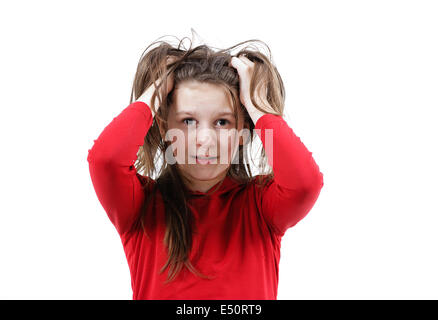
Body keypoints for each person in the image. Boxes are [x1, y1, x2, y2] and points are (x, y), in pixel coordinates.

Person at [87, 37, 324, 300]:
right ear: (165, 126)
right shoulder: (140, 206)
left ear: (243, 129)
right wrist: (155, 92)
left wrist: (258, 109)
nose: (205, 139)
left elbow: (305, 183)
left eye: (222, 122)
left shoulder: (261, 207)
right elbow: (106, 161)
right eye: (188, 120)